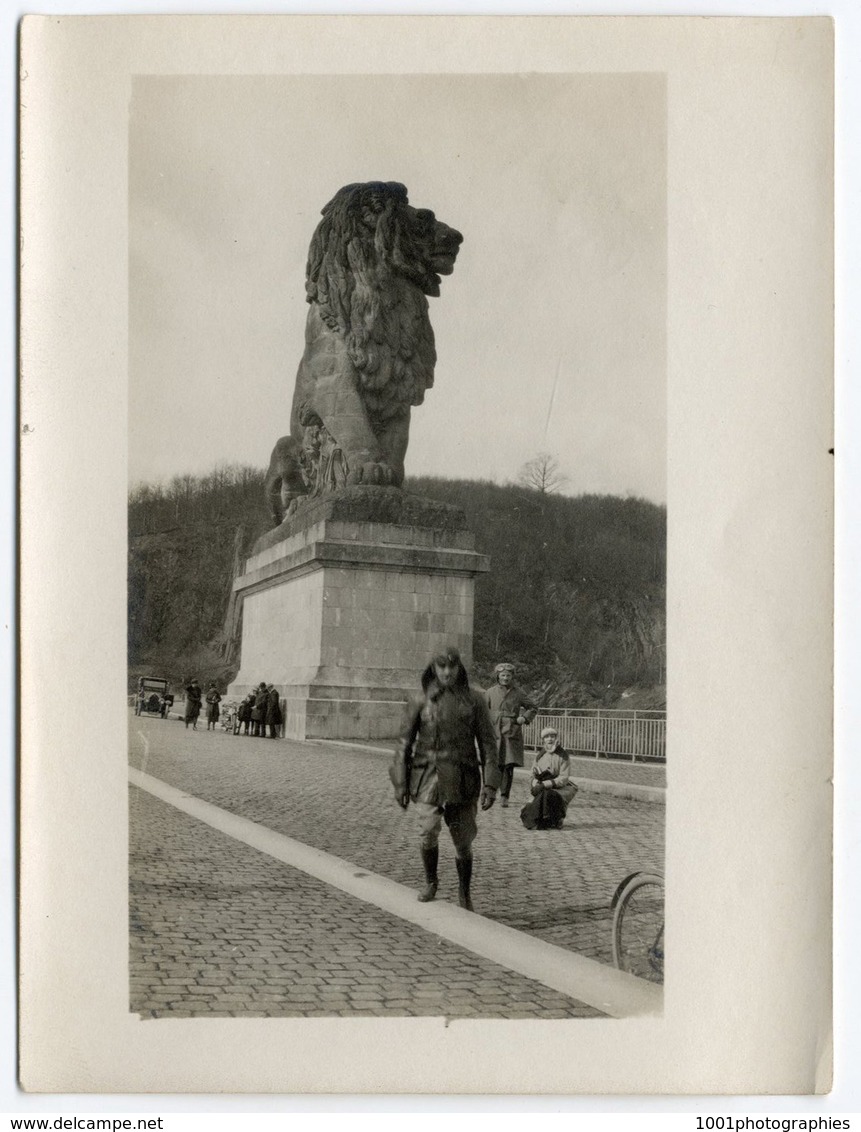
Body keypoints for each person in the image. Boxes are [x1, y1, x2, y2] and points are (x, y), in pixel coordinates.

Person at [390, 647, 500, 911]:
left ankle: (464, 892)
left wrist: (491, 784)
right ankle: (430, 882)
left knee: (463, 841)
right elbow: (404, 743)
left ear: (459, 669)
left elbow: (487, 744)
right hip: (428, 778)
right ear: (433, 669)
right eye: (442, 667)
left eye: (452, 667)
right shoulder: (420, 700)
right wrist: (400, 782)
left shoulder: (475, 700)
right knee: (427, 832)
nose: (447, 672)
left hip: (462, 779)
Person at [485, 662, 537, 807]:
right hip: (494, 731)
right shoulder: (489, 692)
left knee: (508, 765)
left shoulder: (518, 693)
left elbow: (532, 707)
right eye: (503, 675)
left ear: (512, 677)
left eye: (508, 675)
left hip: (511, 732)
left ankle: (505, 796)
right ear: (498, 676)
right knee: (494, 764)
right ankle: (490, 793)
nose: (505, 678)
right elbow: (482, 712)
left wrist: (524, 718)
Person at [520, 726, 579, 830]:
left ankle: (557, 818)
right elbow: (532, 774)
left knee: (549, 795)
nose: (550, 739)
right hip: (542, 787)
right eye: (547, 737)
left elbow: (564, 778)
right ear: (543, 740)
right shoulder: (539, 756)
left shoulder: (563, 755)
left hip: (559, 788)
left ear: (556, 739)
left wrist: (547, 784)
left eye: (552, 736)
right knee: (529, 810)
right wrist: (535, 784)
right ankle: (540, 819)